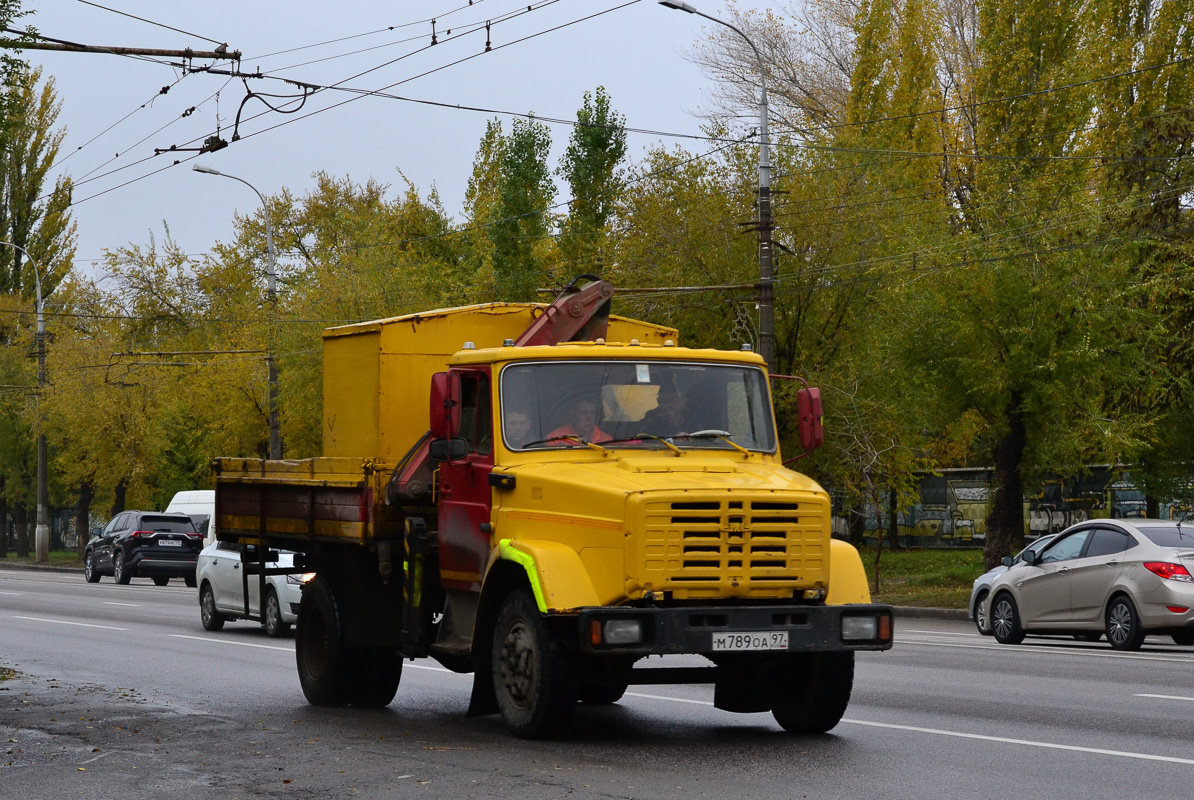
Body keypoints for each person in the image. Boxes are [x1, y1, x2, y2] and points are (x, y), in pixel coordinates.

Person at [546, 397, 611, 443]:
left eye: (592, 413)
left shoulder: (606, 441)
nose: (589, 418)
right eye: (584, 413)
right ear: (572, 415)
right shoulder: (555, 440)